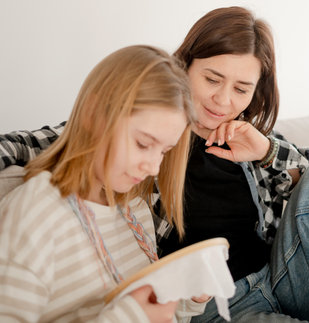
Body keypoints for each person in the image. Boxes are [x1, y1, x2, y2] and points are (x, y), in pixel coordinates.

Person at [0, 6, 309, 323]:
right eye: (211, 79)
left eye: (241, 88)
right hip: (212, 307)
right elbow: (44, 143)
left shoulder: (249, 137)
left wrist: (266, 152)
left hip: (277, 281)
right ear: (185, 63)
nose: (224, 101)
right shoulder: (144, 129)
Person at [0, 45, 208, 322]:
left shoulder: (135, 207)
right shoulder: (36, 213)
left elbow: (147, 309)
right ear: (93, 114)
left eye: (164, 151)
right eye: (143, 143)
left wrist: (188, 299)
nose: (154, 167)